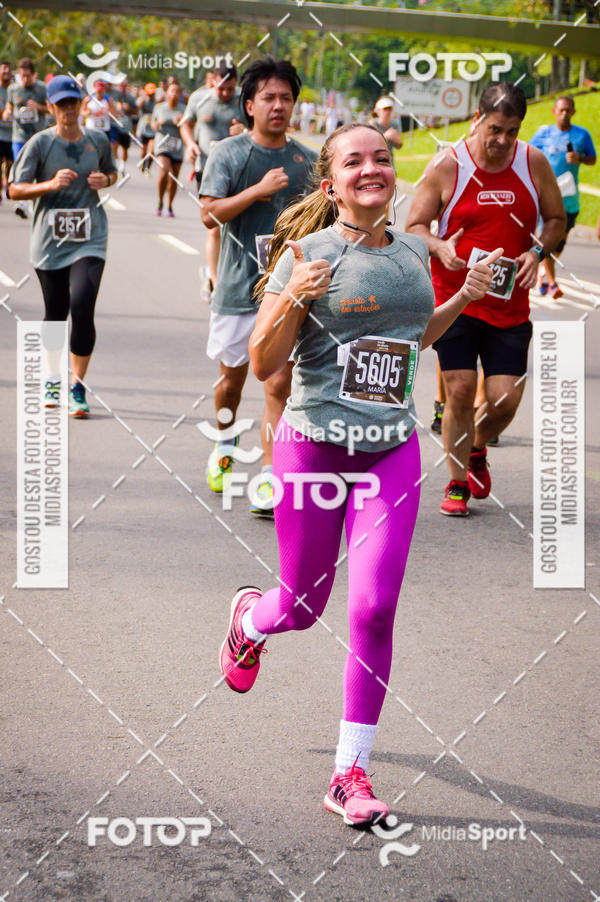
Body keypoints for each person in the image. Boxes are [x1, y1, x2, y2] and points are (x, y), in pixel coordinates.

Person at [218, 122, 500, 825]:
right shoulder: (304, 253)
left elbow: (412, 340)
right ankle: (251, 619)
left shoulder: (410, 250)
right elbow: (261, 363)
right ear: (331, 183)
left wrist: (461, 296)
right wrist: (293, 298)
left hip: (388, 453)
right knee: (302, 609)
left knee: (373, 609)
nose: (371, 168)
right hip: (313, 449)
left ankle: (351, 772)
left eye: (381, 157)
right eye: (354, 161)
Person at [405, 82, 565, 516]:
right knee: (459, 390)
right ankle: (457, 483)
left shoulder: (532, 163)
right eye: (495, 129)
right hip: (456, 297)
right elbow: (415, 225)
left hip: (510, 305)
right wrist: (441, 248)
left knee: (504, 400)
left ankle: (476, 447)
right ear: (477, 120)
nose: (502, 140)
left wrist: (537, 252)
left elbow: (556, 219)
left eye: (511, 131)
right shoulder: (447, 165)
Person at [199, 56, 316, 514]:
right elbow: (208, 214)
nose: (278, 105)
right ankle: (225, 442)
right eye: (268, 97)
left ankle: (270, 477)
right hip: (236, 288)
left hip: (285, 293)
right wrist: (256, 191)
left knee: (279, 383)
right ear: (249, 104)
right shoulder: (228, 154)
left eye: (286, 98)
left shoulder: (306, 160)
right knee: (232, 380)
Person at [8, 75, 117, 416]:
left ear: (81, 104)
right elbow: (14, 189)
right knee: (56, 313)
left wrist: (106, 180)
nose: (69, 109)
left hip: (90, 238)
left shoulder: (98, 141)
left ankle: (77, 386)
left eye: (74, 102)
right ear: (52, 107)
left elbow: (112, 173)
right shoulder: (40, 144)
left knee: (82, 307)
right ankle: (53, 377)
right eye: (62, 104)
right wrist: (50, 185)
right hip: (50, 241)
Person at [179, 61, 245, 302]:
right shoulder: (199, 98)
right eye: (221, 89)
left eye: (230, 89)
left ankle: (224, 272)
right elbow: (185, 124)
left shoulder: (245, 100)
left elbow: (260, 129)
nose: (225, 94)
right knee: (214, 226)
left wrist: (245, 132)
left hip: (239, 171)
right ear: (212, 80)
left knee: (237, 226)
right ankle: (216, 284)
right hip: (206, 171)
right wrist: (190, 144)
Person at [529, 95, 596, 298]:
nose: (565, 114)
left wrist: (580, 158)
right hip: (546, 197)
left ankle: (542, 272)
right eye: (561, 110)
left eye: (568, 110)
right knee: (548, 239)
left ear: (573, 112)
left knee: (560, 242)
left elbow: (593, 159)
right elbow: (527, 153)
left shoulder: (581, 135)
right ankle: (552, 283)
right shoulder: (544, 134)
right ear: (554, 112)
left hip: (569, 198)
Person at [3, 57, 47, 218]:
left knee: (38, 169)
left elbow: (52, 108)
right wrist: (7, 111)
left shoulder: (42, 88)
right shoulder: (13, 89)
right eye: (22, 76)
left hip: (37, 135)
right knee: (20, 165)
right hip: (19, 134)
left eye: (28, 76)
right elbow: (9, 104)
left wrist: (39, 107)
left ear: (34, 75)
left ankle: (34, 200)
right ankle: (22, 202)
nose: (25, 79)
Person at [151, 80, 186, 217]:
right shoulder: (159, 107)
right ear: (167, 93)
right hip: (162, 145)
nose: (175, 94)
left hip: (177, 146)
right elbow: (153, 126)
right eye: (172, 91)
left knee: (174, 179)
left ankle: (170, 205)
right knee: (164, 173)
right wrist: (160, 122)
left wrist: (182, 122)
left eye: (178, 91)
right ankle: (160, 200)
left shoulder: (184, 109)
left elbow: (190, 127)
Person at [110, 79, 137, 175]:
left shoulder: (130, 97)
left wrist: (129, 108)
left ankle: (123, 165)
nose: (122, 88)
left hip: (126, 125)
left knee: (125, 147)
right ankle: (116, 163)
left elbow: (136, 111)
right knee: (114, 145)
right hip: (115, 124)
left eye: (124, 86)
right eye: (120, 86)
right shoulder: (114, 95)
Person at [0, 61, 13, 202]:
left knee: (10, 162)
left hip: (12, 132)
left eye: (9, 70)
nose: (7, 72)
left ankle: (9, 187)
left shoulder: (14, 89)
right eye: (4, 69)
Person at [136, 82, 156, 174]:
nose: (151, 95)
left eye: (152, 94)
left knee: (151, 151)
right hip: (144, 129)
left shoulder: (157, 102)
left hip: (153, 130)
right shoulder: (142, 100)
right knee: (143, 152)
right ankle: (144, 164)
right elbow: (137, 106)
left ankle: (148, 166)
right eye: (149, 93)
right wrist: (144, 97)